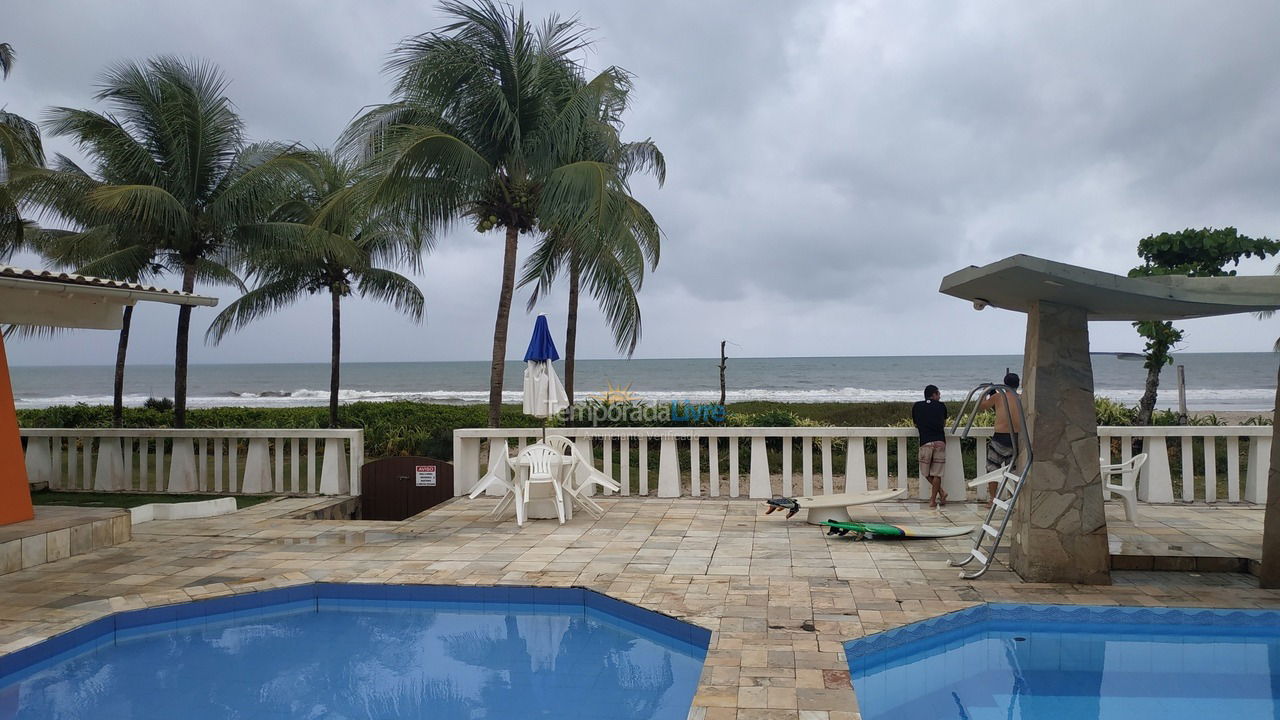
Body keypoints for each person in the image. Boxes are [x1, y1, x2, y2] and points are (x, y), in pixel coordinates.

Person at [978, 372, 1024, 505]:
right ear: (1018, 384)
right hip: (1016, 438)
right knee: (1014, 470)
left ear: (1004, 384)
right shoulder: (1021, 398)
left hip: (1000, 437)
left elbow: (982, 406)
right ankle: (1013, 498)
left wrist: (985, 392)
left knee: (992, 469)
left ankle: (992, 499)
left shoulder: (999, 397)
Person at [911, 384, 948, 508]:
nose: (940, 396)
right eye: (938, 394)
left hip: (925, 441)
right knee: (937, 473)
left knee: (925, 472)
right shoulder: (941, 406)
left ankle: (941, 493)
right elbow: (943, 424)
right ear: (933, 394)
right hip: (940, 441)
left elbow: (916, 424)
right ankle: (935, 498)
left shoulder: (917, 406)